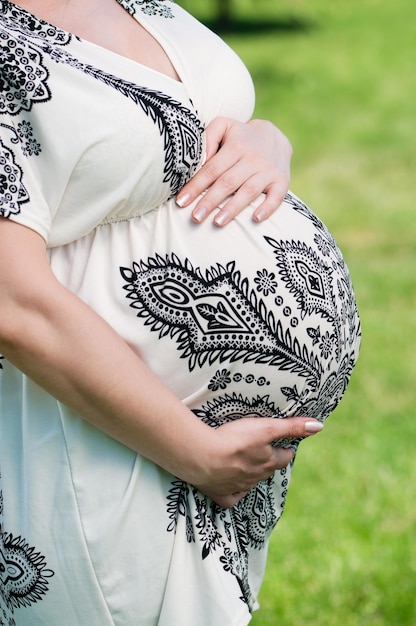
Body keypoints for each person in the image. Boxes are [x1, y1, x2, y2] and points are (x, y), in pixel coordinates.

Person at [0, 1, 361, 624]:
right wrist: (193, 450)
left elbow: (182, 121)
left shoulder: (134, 1)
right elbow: (10, 297)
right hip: (88, 433)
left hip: (200, 461)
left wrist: (264, 140)